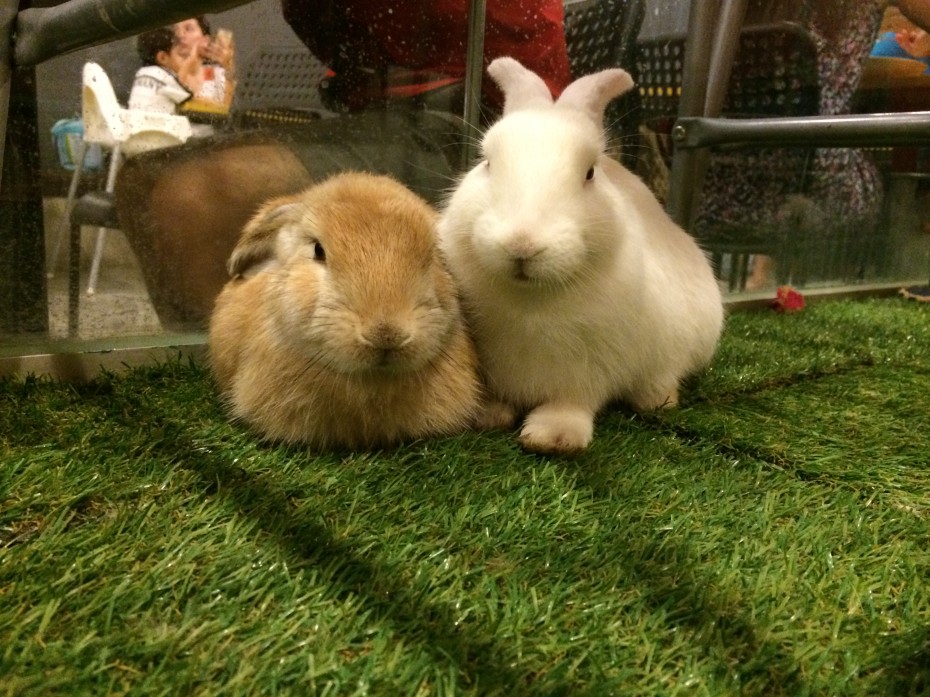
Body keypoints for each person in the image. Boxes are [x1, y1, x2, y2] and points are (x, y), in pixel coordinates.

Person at [113, 0, 572, 329]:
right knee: (141, 179)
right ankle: (231, 368)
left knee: (192, 193)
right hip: (385, 111)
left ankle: (247, 378)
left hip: (475, 111)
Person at [692, 0, 930, 291]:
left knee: (787, 146)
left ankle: (768, 279)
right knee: (859, 163)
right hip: (822, 189)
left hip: (708, 192)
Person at [128, 26, 202, 114]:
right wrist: (189, 64)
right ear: (163, 58)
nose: (183, 60)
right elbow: (193, 102)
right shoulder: (165, 77)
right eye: (180, 55)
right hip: (156, 122)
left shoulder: (141, 73)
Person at [173, 16, 236, 108]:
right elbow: (176, 94)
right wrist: (192, 58)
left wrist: (228, 65)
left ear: (205, 39)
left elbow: (226, 107)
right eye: (177, 31)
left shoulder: (214, 74)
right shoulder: (166, 70)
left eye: (188, 29)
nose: (180, 35)